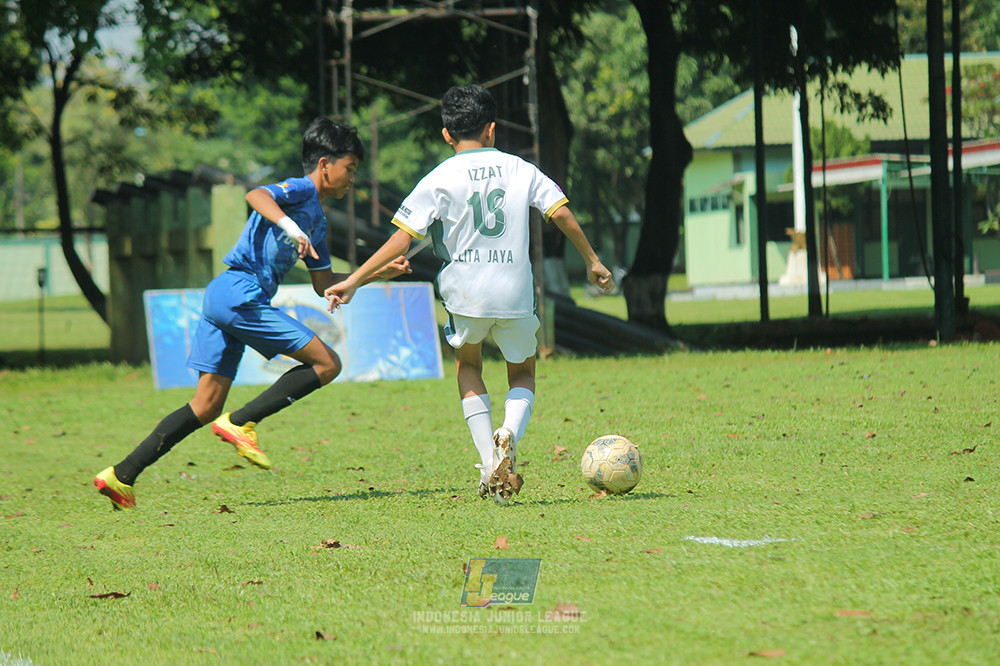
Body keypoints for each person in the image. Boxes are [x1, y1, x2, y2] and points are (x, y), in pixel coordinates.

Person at [94, 117, 410, 510]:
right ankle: (240, 421)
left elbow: (324, 283)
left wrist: (377, 272)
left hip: (224, 297)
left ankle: (121, 474)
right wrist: (289, 225)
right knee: (328, 364)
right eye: (350, 169)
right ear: (325, 163)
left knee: (205, 405)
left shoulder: (320, 223)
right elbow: (257, 194)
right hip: (240, 293)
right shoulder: (300, 191)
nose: (352, 179)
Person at [324, 84, 613, 504]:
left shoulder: (439, 177)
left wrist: (353, 279)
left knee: (468, 366)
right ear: (492, 129)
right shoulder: (520, 168)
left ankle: (487, 462)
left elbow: (401, 241)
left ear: (446, 135)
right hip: (514, 291)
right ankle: (508, 435)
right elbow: (560, 212)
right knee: (524, 373)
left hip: (466, 292)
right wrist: (592, 260)